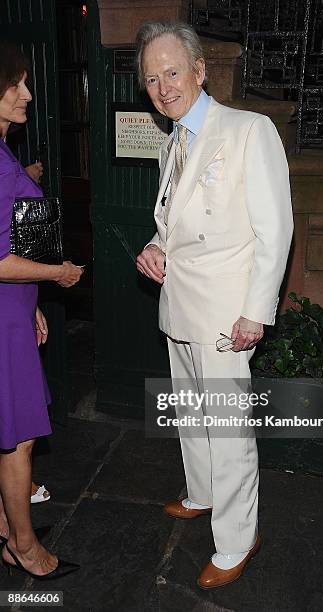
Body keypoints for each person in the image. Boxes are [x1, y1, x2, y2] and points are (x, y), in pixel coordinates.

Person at [136, 21, 294, 589]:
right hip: (179, 305)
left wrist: (257, 310)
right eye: (152, 79)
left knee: (228, 431)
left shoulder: (251, 130)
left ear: (200, 71)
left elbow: (275, 230)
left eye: (172, 72)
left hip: (228, 315)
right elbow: (171, 225)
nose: (163, 86)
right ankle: (201, 494)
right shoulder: (171, 141)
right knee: (191, 416)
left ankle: (237, 537)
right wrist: (154, 248)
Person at [0, 42, 82, 579]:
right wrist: (56, 274)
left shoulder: (4, 150)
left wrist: (31, 307)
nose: (27, 93)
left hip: (12, 314)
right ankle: (24, 549)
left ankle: (7, 529)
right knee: (19, 436)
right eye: (16, 83)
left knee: (6, 431)